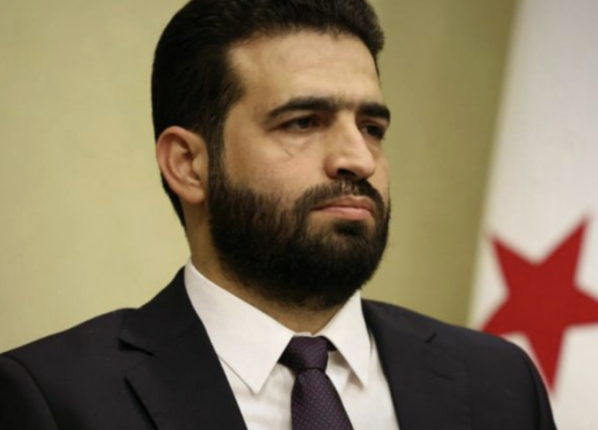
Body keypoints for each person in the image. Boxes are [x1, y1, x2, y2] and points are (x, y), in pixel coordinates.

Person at [0, 0, 556, 429]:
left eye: (371, 128)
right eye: (303, 122)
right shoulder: (52, 398)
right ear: (189, 165)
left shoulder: (499, 382)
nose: (359, 159)